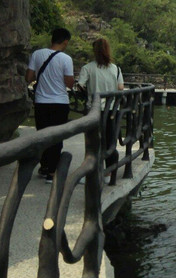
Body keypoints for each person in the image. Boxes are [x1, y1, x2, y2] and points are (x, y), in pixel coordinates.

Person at [26, 27, 75, 183]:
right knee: (56, 137)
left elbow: (28, 77)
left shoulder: (37, 54)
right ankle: (52, 172)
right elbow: (69, 83)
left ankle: (44, 166)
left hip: (41, 102)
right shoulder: (66, 59)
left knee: (42, 136)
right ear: (65, 41)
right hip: (60, 103)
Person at [77, 38, 124, 180]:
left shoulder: (88, 68)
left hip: (94, 110)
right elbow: (120, 87)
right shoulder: (115, 68)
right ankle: (109, 172)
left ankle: (91, 171)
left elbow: (80, 85)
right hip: (111, 110)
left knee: (93, 142)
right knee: (110, 140)